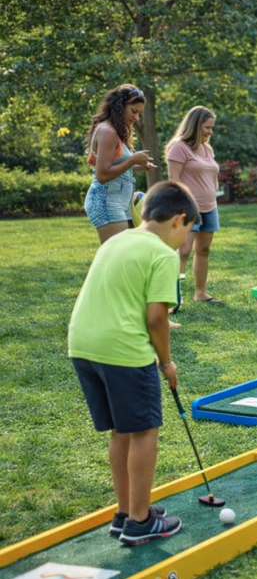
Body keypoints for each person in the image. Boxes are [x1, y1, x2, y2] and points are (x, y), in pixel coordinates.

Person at [68, 181, 199, 545]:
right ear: (179, 220)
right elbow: (156, 317)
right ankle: (141, 522)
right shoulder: (163, 254)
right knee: (144, 431)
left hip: (82, 344)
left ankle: (125, 512)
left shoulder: (117, 240)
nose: (186, 239)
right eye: (189, 230)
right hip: (122, 350)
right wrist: (167, 362)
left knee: (122, 430)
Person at [84, 85, 158, 244]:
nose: (137, 118)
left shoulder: (115, 131)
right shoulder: (107, 131)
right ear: (120, 106)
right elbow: (103, 175)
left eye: (139, 113)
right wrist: (132, 160)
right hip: (106, 202)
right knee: (117, 259)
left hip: (120, 202)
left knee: (129, 254)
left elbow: (116, 166)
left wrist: (138, 165)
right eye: (134, 111)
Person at [166, 106, 222, 304]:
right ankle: (172, 297)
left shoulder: (208, 149)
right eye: (207, 127)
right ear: (195, 125)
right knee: (183, 251)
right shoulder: (178, 147)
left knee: (203, 250)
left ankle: (200, 294)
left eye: (211, 128)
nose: (210, 132)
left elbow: (211, 175)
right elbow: (174, 179)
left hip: (210, 206)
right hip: (188, 207)